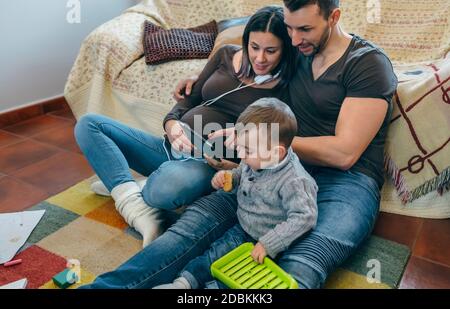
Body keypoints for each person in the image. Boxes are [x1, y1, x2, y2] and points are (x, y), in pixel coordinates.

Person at [80, 0, 398, 289]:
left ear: (334, 18)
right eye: (290, 28)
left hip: (345, 182)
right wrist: (198, 77)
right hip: (268, 167)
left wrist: (261, 141)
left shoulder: (367, 64)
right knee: (188, 232)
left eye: (305, 29)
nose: (295, 38)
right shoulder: (295, 52)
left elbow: (344, 153)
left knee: (299, 264)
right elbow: (250, 33)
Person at [74, 6, 296, 247]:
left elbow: (275, 148)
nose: (260, 58)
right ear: (246, 42)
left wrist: (235, 166)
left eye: (271, 51)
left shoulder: (286, 87)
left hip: (208, 165)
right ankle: (135, 204)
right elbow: (189, 99)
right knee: (89, 125)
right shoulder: (225, 55)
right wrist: (171, 124)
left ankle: (125, 186)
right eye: (254, 47)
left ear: (285, 49)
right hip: (171, 146)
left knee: (162, 191)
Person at [153, 98, 318, 289]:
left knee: (242, 276)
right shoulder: (256, 158)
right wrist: (229, 176)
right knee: (214, 254)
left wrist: (269, 244)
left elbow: (305, 217)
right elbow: (242, 171)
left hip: (270, 239)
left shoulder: (295, 181)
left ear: (277, 153)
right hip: (244, 226)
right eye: (240, 146)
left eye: (246, 150)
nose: (240, 154)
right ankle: (183, 284)